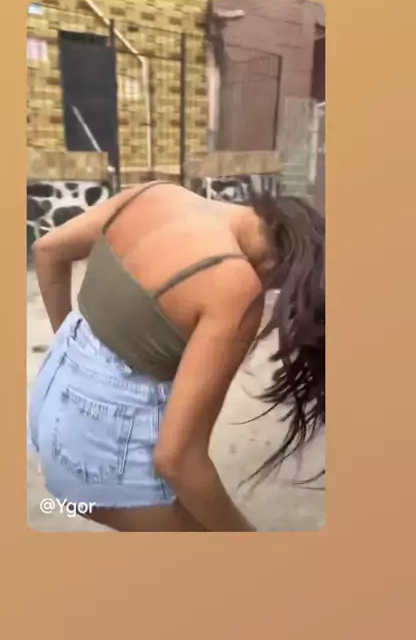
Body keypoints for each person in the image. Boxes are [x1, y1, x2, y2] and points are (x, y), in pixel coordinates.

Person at [28, 180, 325, 532]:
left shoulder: (156, 193)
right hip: (101, 455)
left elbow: (47, 250)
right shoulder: (233, 284)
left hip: (49, 403)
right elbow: (178, 460)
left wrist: (78, 354)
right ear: (276, 263)